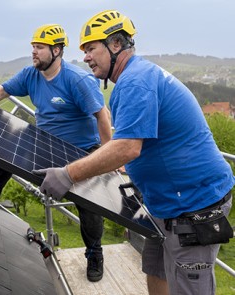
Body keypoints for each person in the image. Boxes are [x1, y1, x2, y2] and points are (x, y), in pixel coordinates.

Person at [33, 10, 235, 295]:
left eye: (91, 48)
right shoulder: (137, 76)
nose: (86, 57)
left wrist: (68, 174)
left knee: (191, 288)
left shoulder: (135, 81)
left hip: (193, 204)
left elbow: (127, 147)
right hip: (167, 203)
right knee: (155, 267)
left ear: (115, 45)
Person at [0, 24, 112, 282]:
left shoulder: (77, 80)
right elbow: (4, 90)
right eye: (33, 46)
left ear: (56, 50)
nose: (33, 52)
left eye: (39, 47)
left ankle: (94, 253)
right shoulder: (31, 74)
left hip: (80, 150)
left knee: (88, 203)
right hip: (45, 143)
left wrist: (108, 156)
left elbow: (102, 115)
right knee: (11, 142)